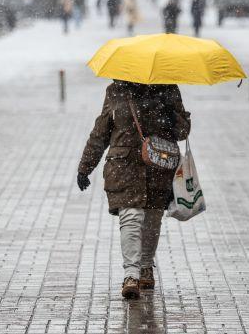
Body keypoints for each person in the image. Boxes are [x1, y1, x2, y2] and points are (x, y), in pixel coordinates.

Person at [77, 80, 191, 299]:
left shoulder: (168, 89)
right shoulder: (116, 91)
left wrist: (174, 111)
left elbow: (182, 132)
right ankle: (131, 275)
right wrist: (85, 167)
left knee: (152, 218)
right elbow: (100, 132)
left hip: (158, 167)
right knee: (130, 217)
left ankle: (146, 266)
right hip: (124, 166)